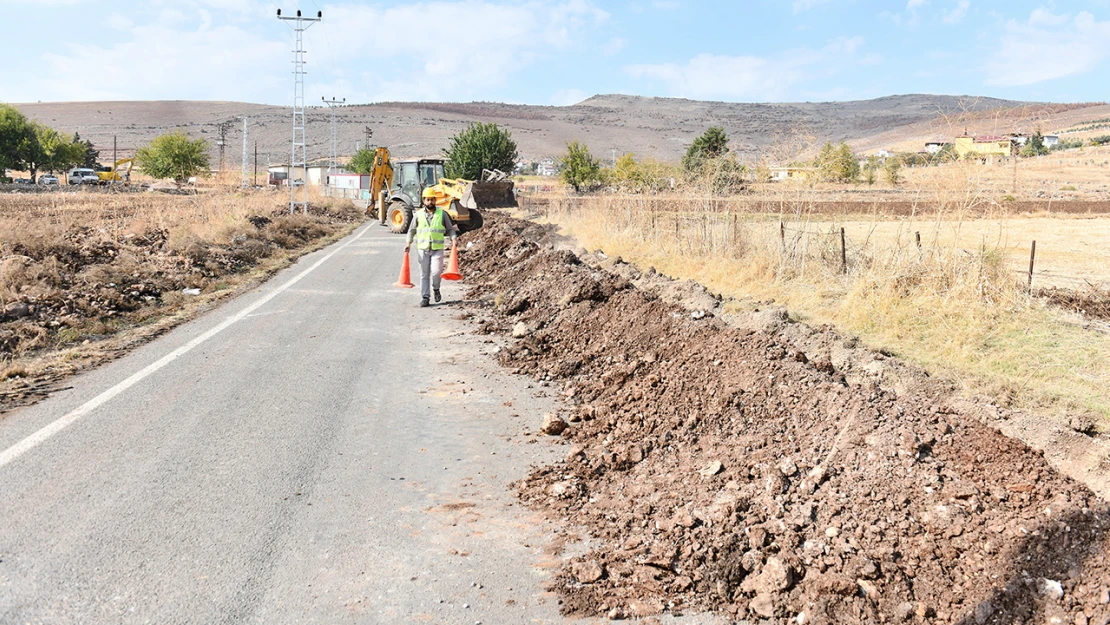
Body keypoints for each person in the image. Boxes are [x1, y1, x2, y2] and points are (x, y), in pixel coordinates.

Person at [404, 187, 457, 307]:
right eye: (428, 200)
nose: (430, 202)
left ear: (435, 200)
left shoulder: (442, 214)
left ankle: (436, 289)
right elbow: (411, 231)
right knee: (424, 274)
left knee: (436, 272)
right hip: (423, 249)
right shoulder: (418, 215)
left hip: (437, 249)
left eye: (432, 199)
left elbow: (450, 229)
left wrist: (453, 239)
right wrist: (408, 243)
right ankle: (425, 297)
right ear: (424, 201)